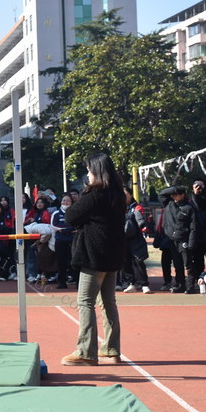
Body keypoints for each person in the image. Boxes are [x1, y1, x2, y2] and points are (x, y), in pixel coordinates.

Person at [60, 153, 126, 367]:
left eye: (89, 171)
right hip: (113, 254)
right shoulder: (118, 194)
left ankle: (86, 351)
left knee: (85, 302)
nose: (87, 175)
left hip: (94, 254)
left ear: (98, 172)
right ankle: (111, 349)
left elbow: (70, 215)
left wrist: (85, 195)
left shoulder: (95, 195)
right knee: (108, 303)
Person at [162, 186, 200, 294]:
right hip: (173, 240)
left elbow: (194, 227)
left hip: (184, 240)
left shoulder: (189, 208)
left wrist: (191, 243)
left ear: (183, 194)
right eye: (173, 194)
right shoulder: (169, 205)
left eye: (177, 194)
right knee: (177, 264)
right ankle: (180, 284)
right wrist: (173, 189)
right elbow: (162, 193)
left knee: (188, 264)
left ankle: (190, 286)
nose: (174, 196)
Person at [121, 187, 152, 294]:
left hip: (136, 239)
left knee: (138, 261)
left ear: (130, 195)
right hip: (123, 239)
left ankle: (144, 284)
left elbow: (141, 220)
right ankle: (131, 283)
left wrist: (143, 225)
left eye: (125, 194)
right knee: (125, 262)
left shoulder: (136, 207)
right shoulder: (118, 207)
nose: (123, 197)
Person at [51, 194, 75, 289]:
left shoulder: (74, 213)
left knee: (73, 262)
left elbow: (76, 225)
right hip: (60, 241)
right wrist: (66, 229)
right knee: (61, 262)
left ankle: (77, 281)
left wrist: (64, 229)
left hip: (72, 240)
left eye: (68, 201)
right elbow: (54, 225)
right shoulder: (56, 213)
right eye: (64, 200)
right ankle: (62, 282)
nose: (65, 203)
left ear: (71, 202)